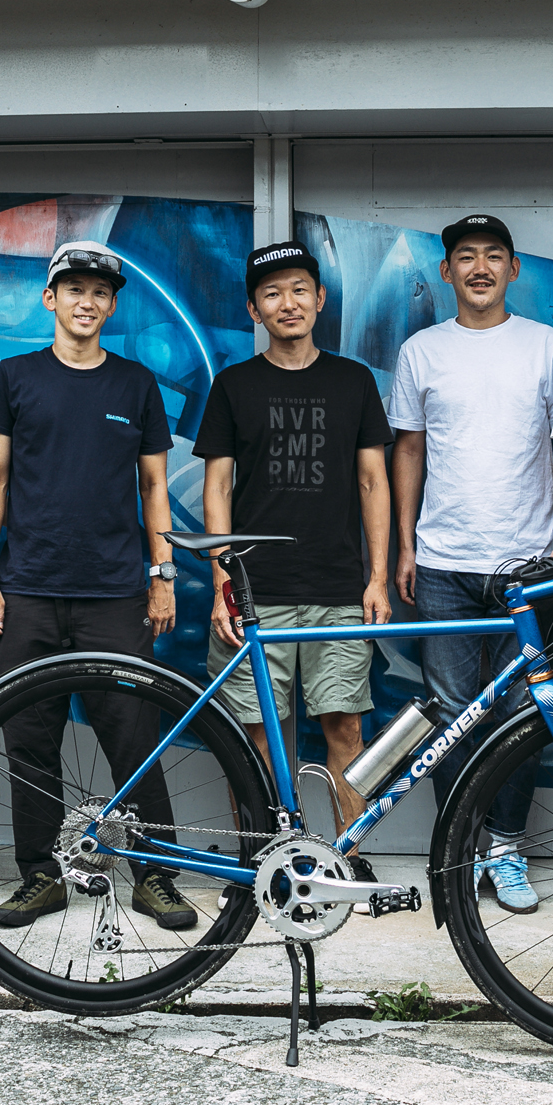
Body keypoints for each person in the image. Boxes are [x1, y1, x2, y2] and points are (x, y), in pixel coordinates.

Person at [0, 240, 199, 932]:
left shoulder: (135, 384)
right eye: (74, 289)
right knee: (28, 737)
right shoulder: (14, 377)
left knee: (133, 735)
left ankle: (156, 874)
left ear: (111, 305)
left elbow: (156, 485)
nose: (87, 301)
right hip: (30, 591)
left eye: (100, 292)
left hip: (115, 594)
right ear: (51, 298)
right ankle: (41, 876)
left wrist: (162, 579)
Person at [388, 214, 553, 914]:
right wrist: (406, 544)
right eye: (465, 257)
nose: (478, 267)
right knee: (451, 718)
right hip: (442, 564)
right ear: (446, 272)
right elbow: (407, 449)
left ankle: (506, 849)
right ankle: (461, 849)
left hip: (529, 567)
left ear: (512, 269)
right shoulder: (422, 351)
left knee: (526, 714)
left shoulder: (548, 347)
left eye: (492, 256)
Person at [196, 242, 394, 853]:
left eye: (300, 289)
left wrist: (377, 577)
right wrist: (224, 586)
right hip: (256, 595)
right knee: (258, 735)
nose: (289, 303)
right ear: (255, 309)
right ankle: (266, 858)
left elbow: (372, 481)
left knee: (345, 727)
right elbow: (217, 490)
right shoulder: (233, 386)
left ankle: (345, 858)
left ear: (320, 298)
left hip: (336, 588)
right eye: (273, 293)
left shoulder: (353, 381)